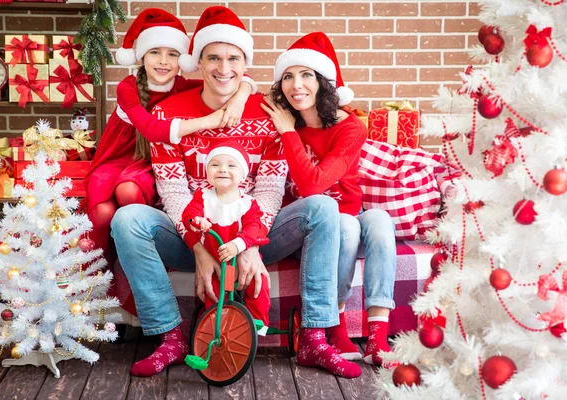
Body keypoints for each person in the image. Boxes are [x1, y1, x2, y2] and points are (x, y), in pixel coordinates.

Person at [111, 6, 360, 379]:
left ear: (246, 64)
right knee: (127, 219)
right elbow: (174, 191)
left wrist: (252, 243)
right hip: (193, 235)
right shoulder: (168, 115)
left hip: (253, 235)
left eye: (233, 58)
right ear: (198, 62)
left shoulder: (268, 113)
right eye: (213, 57)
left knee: (322, 207)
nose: (223, 67)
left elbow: (271, 187)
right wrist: (199, 246)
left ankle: (313, 338)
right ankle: (169, 336)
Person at [83, 8, 256, 281]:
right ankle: (97, 276)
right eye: (154, 52)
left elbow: (230, 77)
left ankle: (146, 250)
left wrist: (241, 96)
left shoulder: (183, 85)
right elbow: (152, 129)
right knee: (103, 211)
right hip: (119, 157)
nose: (163, 62)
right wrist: (209, 121)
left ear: (183, 60)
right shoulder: (128, 87)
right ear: (140, 56)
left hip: (149, 161)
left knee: (129, 193)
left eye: (172, 54)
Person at [262, 32, 397, 367]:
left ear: (323, 82)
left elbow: (315, 181)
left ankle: (378, 338)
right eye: (289, 76)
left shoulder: (350, 127)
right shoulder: (278, 120)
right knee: (345, 225)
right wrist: (287, 130)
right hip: (304, 225)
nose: (297, 85)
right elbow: (309, 193)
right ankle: (333, 325)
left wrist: (288, 133)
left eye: (307, 75)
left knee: (379, 220)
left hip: (349, 212)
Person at [182, 141, 270, 336]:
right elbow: (189, 212)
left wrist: (238, 245)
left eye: (231, 165)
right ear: (207, 172)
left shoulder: (247, 203)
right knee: (214, 293)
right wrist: (196, 220)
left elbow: (255, 228)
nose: (222, 170)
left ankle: (257, 325)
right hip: (216, 261)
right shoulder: (203, 197)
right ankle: (216, 329)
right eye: (215, 165)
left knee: (259, 285)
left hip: (240, 257)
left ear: (243, 174)